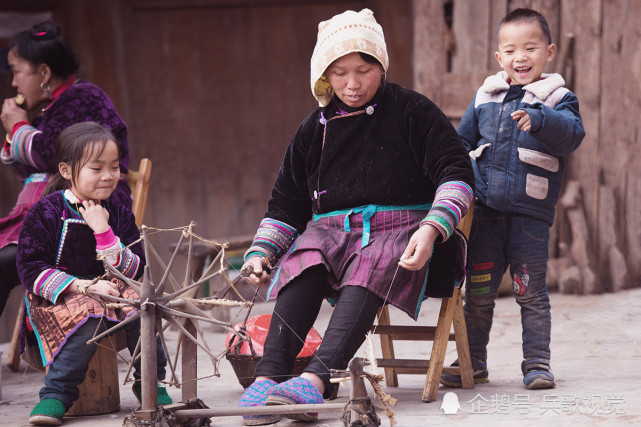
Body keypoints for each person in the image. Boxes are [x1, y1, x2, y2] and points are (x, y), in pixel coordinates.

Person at [237, 8, 474, 426]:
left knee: (373, 258)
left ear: (381, 66)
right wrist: (261, 253)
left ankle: (316, 377)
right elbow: (287, 204)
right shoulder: (315, 128)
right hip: (331, 234)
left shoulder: (412, 111)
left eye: (364, 70)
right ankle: (271, 374)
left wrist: (433, 227)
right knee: (303, 258)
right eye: (340, 72)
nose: (352, 83)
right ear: (324, 74)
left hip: (405, 234)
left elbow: (456, 172)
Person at [440, 8, 585, 390]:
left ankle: (537, 364)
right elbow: (463, 141)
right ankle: (475, 363)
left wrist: (539, 120)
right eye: (511, 50)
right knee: (480, 294)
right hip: (485, 214)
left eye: (531, 48)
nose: (521, 57)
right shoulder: (487, 96)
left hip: (529, 218)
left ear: (549, 52)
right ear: (499, 57)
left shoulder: (557, 98)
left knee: (530, 293)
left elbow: (572, 135)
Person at [16, 122, 169, 426]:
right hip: (59, 297)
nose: (108, 176)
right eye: (96, 168)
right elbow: (30, 268)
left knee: (144, 306)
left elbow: (137, 266)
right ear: (67, 170)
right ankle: (56, 394)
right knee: (91, 311)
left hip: (114, 292)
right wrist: (81, 287)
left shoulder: (119, 211)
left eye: (114, 167)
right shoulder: (46, 213)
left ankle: (151, 383)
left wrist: (104, 232)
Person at [0, 21, 131, 317]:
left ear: (44, 73)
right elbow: (28, 167)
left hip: (86, 214)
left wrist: (18, 126)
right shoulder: (55, 107)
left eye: (17, 71)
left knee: (5, 261)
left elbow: (50, 154)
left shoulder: (83, 98)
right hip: (59, 212)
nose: (14, 83)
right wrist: (16, 132)